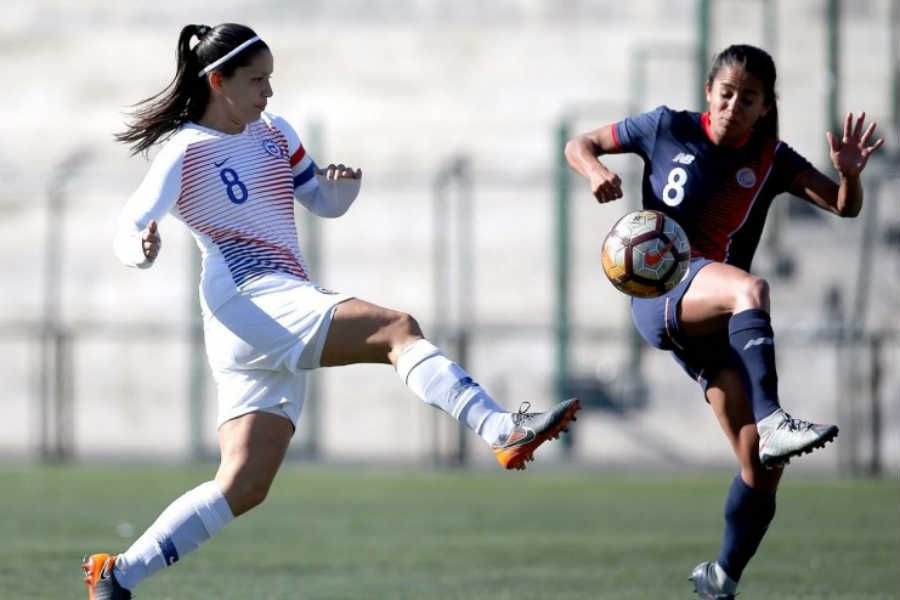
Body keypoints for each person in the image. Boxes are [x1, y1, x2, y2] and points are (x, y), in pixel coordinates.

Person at [83, 22, 581, 599]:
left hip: (259, 311)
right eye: (256, 80)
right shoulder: (185, 149)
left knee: (243, 484)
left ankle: (117, 575)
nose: (268, 92)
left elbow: (318, 198)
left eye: (271, 80)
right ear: (217, 81)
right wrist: (138, 248)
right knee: (397, 329)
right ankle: (500, 428)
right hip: (250, 295)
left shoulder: (274, 131)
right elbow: (131, 221)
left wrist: (339, 191)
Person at [565, 44, 883, 599]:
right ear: (709, 90)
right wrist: (594, 171)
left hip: (712, 322)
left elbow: (843, 205)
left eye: (749, 98)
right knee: (750, 287)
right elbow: (581, 143)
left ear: (765, 106)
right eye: (728, 92)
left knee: (761, 466)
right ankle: (778, 416)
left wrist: (851, 176)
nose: (735, 105)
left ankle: (723, 577)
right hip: (661, 289)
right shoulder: (664, 126)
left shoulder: (772, 158)